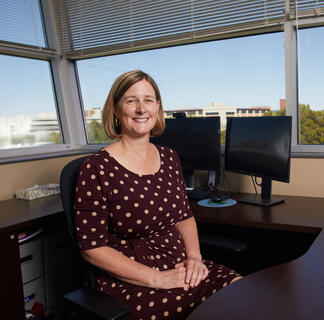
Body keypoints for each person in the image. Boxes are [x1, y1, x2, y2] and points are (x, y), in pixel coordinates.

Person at [74, 70, 242, 320]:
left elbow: (183, 217)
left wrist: (195, 259)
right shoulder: (97, 168)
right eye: (131, 100)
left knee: (243, 293)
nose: (141, 108)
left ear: (158, 108)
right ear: (116, 110)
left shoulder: (169, 157)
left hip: (181, 265)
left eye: (148, 100)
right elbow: (92, 248)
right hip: (135, 279)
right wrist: (158, 278)